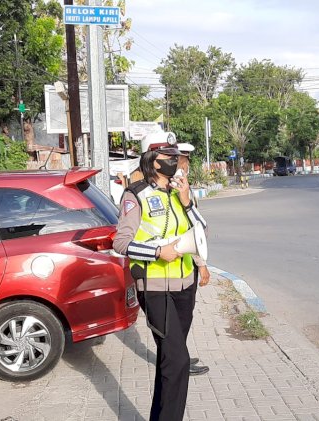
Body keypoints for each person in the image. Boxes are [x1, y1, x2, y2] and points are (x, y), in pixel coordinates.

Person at [113, 131, 210, 421]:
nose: (176, 162)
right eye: (169, 157)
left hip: (185, 285)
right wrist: (157, 253)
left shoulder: (180, 191)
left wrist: (187, 201)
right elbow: (120, 243)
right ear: (153, 161)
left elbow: (200, 231)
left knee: (170, 361)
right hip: (154, 288)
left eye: (175, 157)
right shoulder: (135, 195)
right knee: (178, 360)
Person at [175, 141, 210, 377]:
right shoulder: (179, 190)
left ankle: (180, 355)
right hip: (182, 264)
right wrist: (203, 265)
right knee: (182, 318)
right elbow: (195, 230)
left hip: (182, 264)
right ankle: (179, 362)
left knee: (182, 317)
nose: (186, 165)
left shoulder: (180, 188)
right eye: (183, 160)